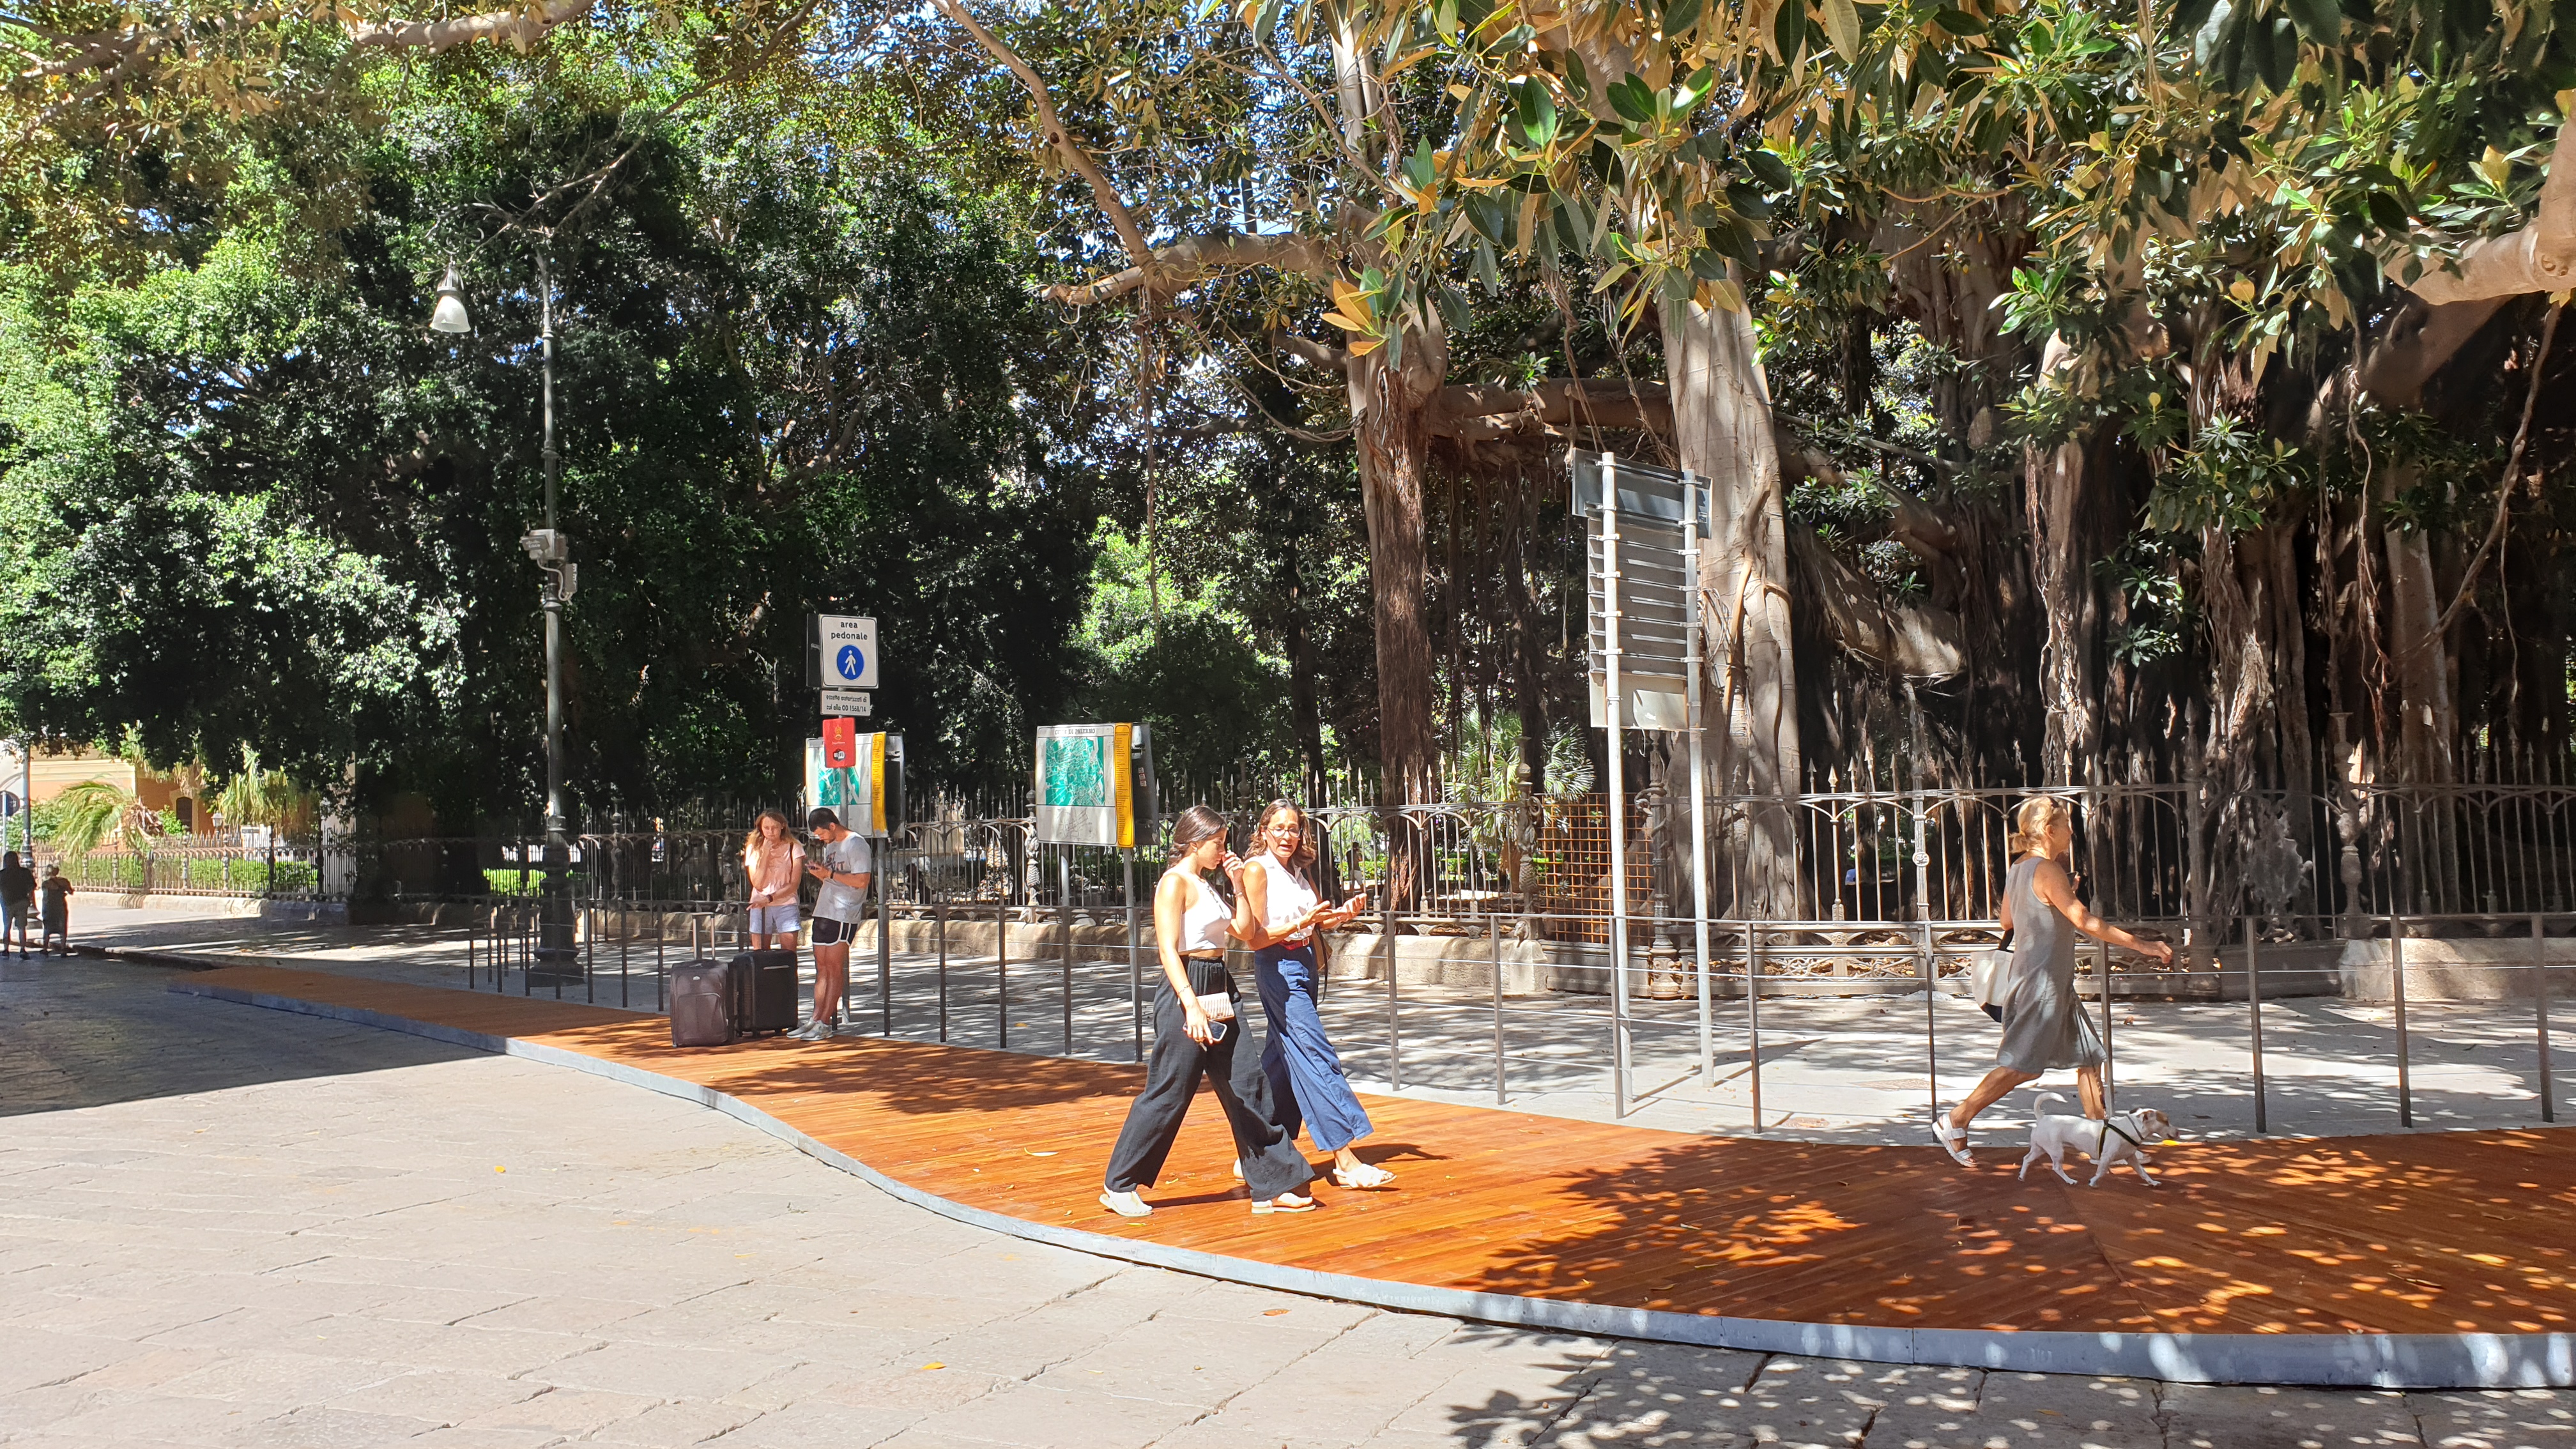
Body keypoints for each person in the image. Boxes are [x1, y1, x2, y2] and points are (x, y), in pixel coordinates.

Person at [1931, 796, 2174, 1166]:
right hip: (2041, 984)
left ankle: (2102, 1141)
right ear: (2049, 830)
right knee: (2023, 1065)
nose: (2072, 832)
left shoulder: (2019, 867)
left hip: (2050, 982)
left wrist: (2058, 896)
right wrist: (2142, 944)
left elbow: (2007, 921)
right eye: (2067, 826)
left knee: (2089, 1058)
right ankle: (1956, 1119)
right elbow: (2085, 921)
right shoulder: (2047, 869)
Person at [1100, 805, 1317, 1219]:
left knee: (1248, 1084)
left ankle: (1274, 1184)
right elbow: (1167, 950)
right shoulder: (1174, 883)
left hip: (1220, 983)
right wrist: (1191, 1006)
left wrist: (1238, 885)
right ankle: (1120, 1184)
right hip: (1187, 987)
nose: (1223, 851)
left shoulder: (1208, 884)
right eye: (1217, 843)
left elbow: (1244, 930)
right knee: (1170, 1089)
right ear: (1194, 842)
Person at [1225, 800, 1389, 1190]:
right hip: (1278, 968)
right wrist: (1300, 923)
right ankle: (1345, 1159)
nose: (1287, 836)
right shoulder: (1257, 869)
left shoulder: (1298, 869)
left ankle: (1257, 1152)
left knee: (1282, 1059)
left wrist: (1343, 914)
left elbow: (1317, 920)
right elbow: (1254, 938)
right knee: (1314, 1055)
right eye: (1279, 828)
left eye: (1294, 829)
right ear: (1264, 831)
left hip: (1304, 964)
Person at [798, 808, 872, 1040]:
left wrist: (829, 875)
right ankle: (815, 1018)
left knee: (833, 967)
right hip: (824, 908)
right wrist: (821, 873)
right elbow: (831, 875)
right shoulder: (830, 846)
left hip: (843, 912)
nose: (821, 839)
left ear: (832, 826)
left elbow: (862, 880)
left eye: (822, 834)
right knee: (821, 967)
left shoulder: (856, 844)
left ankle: (825, 1022)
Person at [742, 810, 805, 951]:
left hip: (786, 903)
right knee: (760, 953)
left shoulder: (794, 847)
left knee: (788, 953)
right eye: (766, 828)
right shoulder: (753, 848)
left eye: (775, 827)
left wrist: (770, 898)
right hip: (760, 904)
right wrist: (765, 853)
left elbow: (794, 884)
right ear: (760, 827)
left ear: (782, 826)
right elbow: (757, 883)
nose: (770, 832)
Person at [0, 850, 33, 958]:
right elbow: (31, 887)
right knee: (22, 928)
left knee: (7, 927)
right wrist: (30, 900)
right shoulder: (25, 872)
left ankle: (6, 949)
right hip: (22, 902)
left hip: (7, 903)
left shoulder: (2, 874)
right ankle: (23, 949)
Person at [39, 864, 72, 954]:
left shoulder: (46, 884)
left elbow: (46, 896)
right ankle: (63, 948)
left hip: (49, 907)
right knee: (62, 927)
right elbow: (70, 892)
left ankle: (45, 948)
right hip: (61, 906)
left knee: (47, 928)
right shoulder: (64, 881)